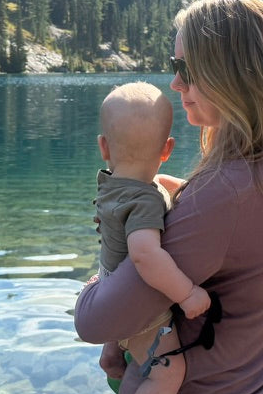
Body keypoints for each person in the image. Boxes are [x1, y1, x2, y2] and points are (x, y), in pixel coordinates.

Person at [76, 0, 263, 394]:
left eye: (186, 67)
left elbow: (95, 322)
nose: (175, 81)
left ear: (231, 73)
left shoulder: (229, 193)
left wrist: (100, 279)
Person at [94, 81, 211, 394]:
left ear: (103, 147)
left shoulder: (109, 186)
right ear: (167, 149)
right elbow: (145, 255)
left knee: (136, 362)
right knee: (168, 372)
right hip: (140, 313)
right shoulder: (145, 201)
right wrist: (187, 294)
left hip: (110, 291)